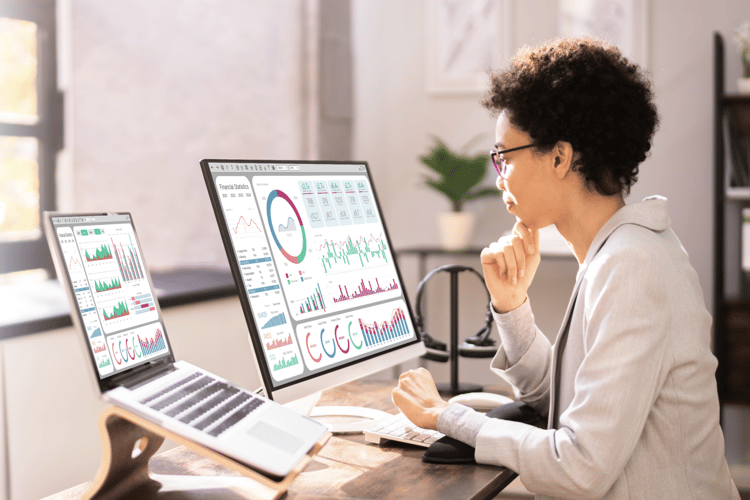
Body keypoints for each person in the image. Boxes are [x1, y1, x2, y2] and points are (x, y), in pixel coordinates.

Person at [392, 37, 740, 500]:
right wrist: (512, 309)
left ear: (560, 156)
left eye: (504, 157)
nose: (499, 178)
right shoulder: (617, 252)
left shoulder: (631, 266)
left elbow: (579, 468)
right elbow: (572, 403)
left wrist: (445, 417)